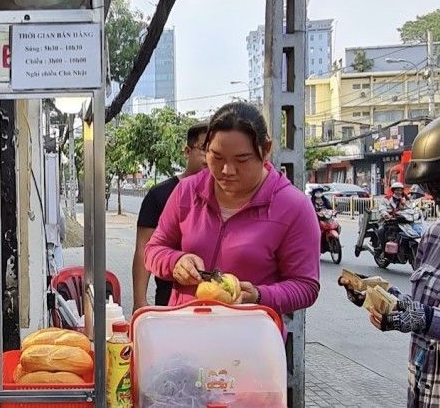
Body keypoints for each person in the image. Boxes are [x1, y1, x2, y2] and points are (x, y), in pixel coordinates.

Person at [144, 101, 320, 318]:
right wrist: (175, 262)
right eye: (216, 157)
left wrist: (258, 296)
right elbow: (153, 250)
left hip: (250, 338)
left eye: (242, 159)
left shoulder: (293, 207)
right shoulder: (187, 191)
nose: (227, 170)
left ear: (266, 150)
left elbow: (306, 286)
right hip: (185, 330)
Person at [340, 116, 440, 407]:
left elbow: (426, 315)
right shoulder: (433, 237)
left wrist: (423, 318)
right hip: (424, 389)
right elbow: (421, 308)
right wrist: (383, 300)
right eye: (434, 189)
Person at [132, 122, 208, 311]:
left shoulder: (226, 196)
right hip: (169, 301)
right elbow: (143, 249)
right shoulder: (158, 195)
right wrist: (139, 301)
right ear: (187, 151)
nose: (209, 158)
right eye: (203, 150)